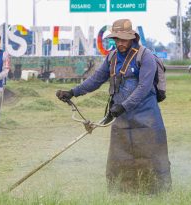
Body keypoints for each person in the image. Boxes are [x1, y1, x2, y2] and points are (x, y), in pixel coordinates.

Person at [56, 19, 171, 193]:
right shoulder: (112, 57)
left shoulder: (145, 56)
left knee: (151, 158)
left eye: (123, 39)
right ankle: (123, 194)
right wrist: (73, 92)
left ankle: (157, 193)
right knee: (120, 159)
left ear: (132, 37)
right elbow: (96, 80)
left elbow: (143, 88)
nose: (120, 43)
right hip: (121, 117)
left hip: (147, 116)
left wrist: (123, 106)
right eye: (116, 39)